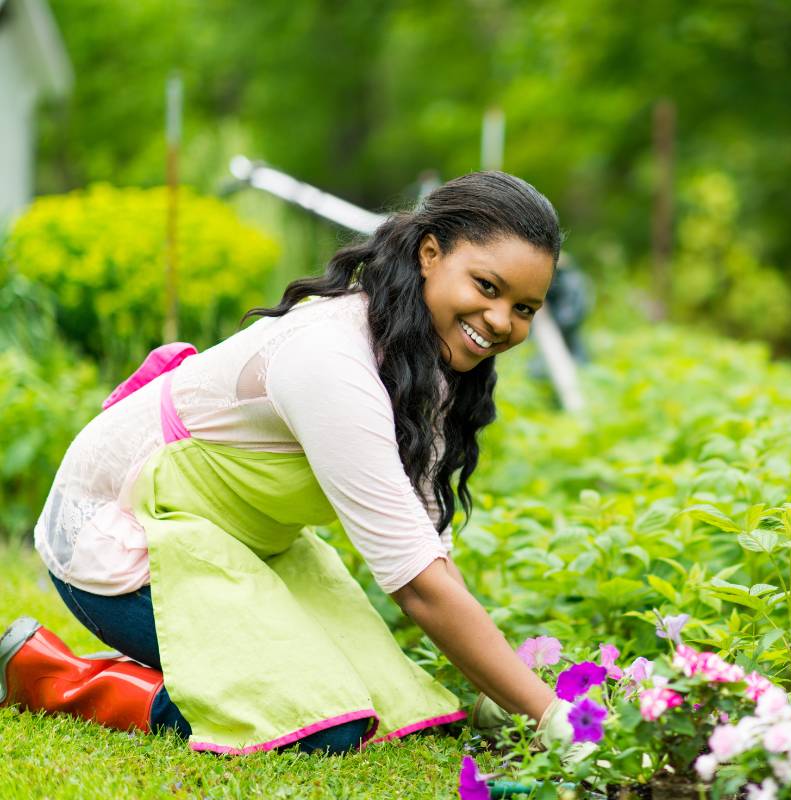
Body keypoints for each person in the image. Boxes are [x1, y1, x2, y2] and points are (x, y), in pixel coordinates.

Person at [0, 171, 572, 755]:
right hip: (124, 540)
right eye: (487, 286)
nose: (502, 321)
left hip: (238, 543)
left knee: (386, 700)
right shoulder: (332, 361)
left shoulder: (420, 361)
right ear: (431, 254)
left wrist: (510, 694)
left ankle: (198, 658)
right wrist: (551, 716)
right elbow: (417, 585)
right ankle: (56, 677)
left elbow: (427, 547)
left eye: (524, 307)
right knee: (323, 725)